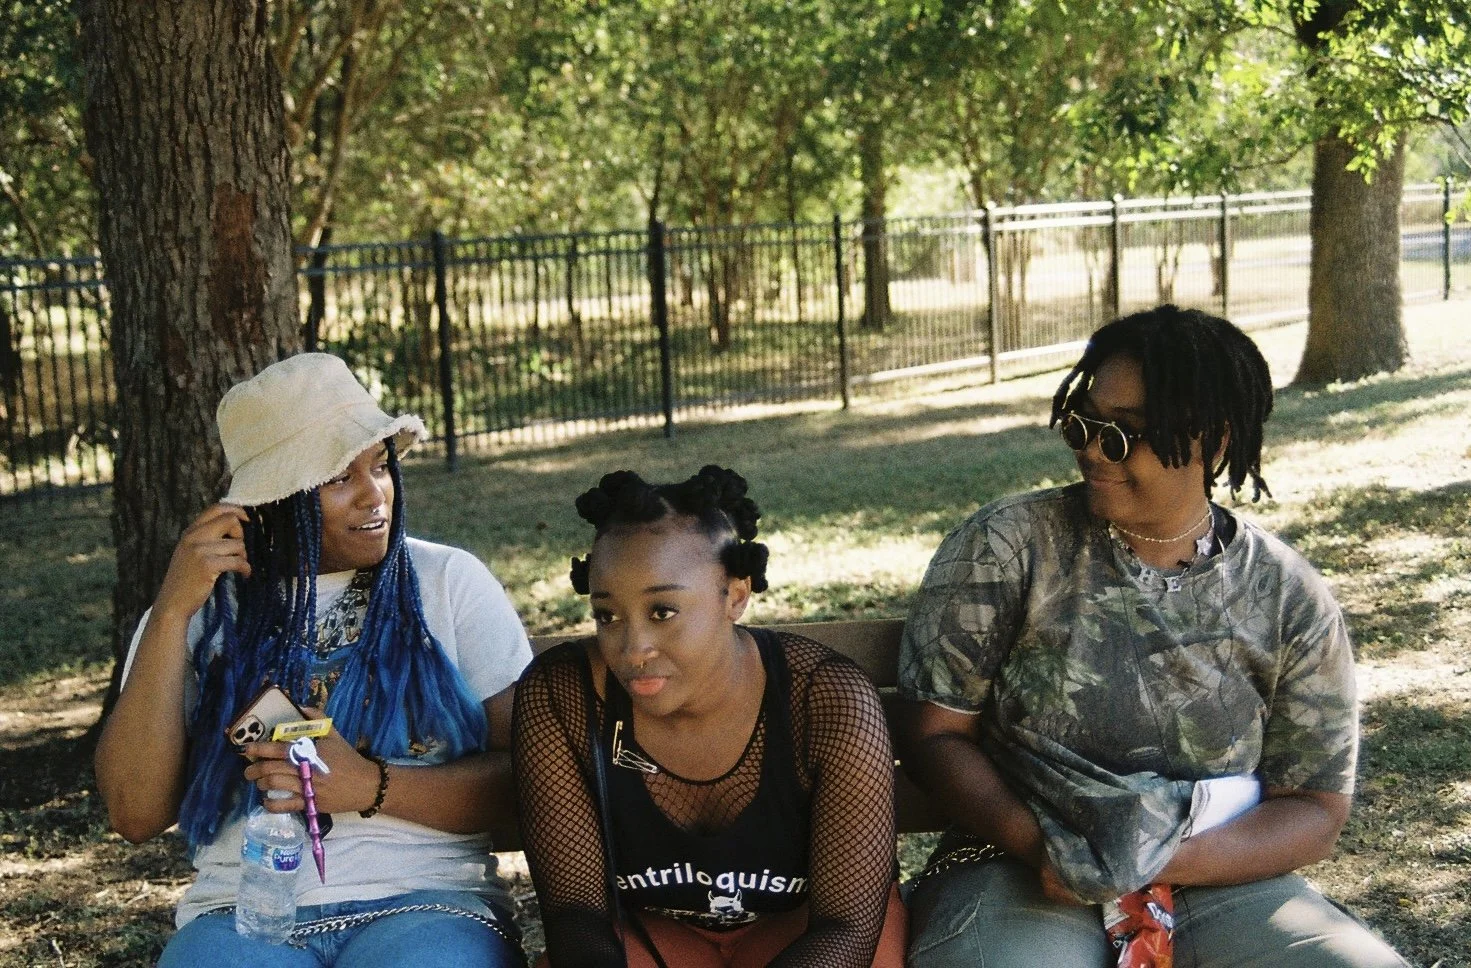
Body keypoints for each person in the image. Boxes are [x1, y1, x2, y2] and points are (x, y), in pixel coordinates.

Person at [896, 306, 1408, 968]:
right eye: (1082, 421)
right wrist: (1041, 847)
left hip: (1213, 874)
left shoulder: (1284, 594)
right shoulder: (1006, 548)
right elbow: (935, 734)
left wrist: (1164, 861)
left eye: (1126, 433)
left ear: (1214, 442)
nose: (1090, 447)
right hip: (1015, 865)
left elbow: (1313, 807)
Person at [94, 353, 533, 968]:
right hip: (243, 916)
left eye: (379, 466)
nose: (374, 495)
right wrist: (168, 615)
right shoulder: (201, 613)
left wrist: (370, 787)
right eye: (337, 478)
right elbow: (135, 813)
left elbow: (532, 784)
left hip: (423, 905)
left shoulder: (446, 583)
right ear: (272, 500)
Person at [512, 466, 906, 968]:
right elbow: (575, 915)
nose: (633, 649)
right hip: (652, 936)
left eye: (663, 611)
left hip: (805, 933)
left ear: (735, 594)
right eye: (607, 615)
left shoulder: (827, 699)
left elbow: (846, 929)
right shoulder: (564, 694)